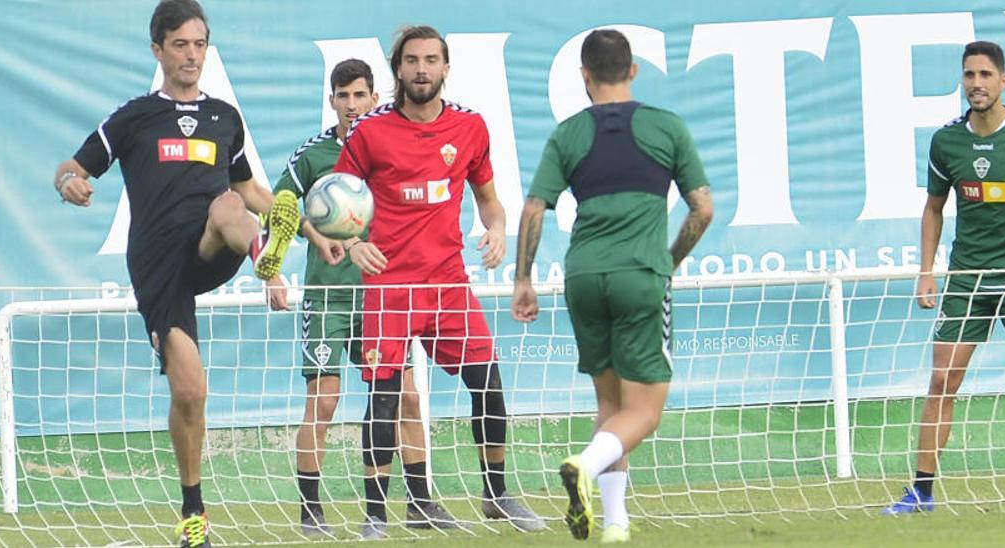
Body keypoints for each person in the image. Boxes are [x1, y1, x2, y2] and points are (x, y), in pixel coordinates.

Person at [52, 1, 300, 546]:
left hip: (214, 245)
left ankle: (266, 259)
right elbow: (73, 166)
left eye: (200, 44)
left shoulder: (224, 118)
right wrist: (68, 182)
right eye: (182, 44)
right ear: (158, 50)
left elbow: (254, 192)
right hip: (159, 266)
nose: (192, 55)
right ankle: (194, 514)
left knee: (231, 207)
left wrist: (314, 231)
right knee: (190, 391)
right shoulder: (134, 117)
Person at [332, 25, 545, 537]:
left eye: (431, 59)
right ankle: (376, 516)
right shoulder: (369, 132)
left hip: (448, 284)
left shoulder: (470, 128)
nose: (422, 69)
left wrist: (495, 229)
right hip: (389, 286)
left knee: (488, 383)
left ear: (446, 67)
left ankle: (496, 495)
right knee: (383, 397)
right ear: (398, 69)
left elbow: (490, 199)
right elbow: (335, 199)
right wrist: (354, 241)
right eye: (412, 61)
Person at [511, 29, 714, 543]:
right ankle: (584, 463)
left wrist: (522, 279)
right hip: (639, 276)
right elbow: (703, 208)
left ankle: (615, 524)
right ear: (633, 71)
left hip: (582, 276)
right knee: (644, 412)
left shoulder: (568, 133)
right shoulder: (666, 127)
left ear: (584, 76)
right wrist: (668, 261)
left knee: (611, 407)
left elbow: (535, 209)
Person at [882, 40, 1005, 514]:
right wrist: (926, 272)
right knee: (941, 382)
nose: (976, 84)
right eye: (969, 75)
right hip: (968, 280)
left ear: (1003, 81)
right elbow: (933, 209)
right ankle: (922, 492)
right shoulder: (946, 141)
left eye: (985, 75)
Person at [262, 58, 402, 537]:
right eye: (343, 96)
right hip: (327, 296)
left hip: (381, 295)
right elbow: (277, 207)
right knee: (323, 402)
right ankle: (310, 510)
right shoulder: (314, 154)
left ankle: (392, 509)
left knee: (397, 398)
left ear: (374, 99)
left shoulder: (390, 145)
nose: (351, 105)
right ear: (332, 100)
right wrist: (273, 271)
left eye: (360, 95)